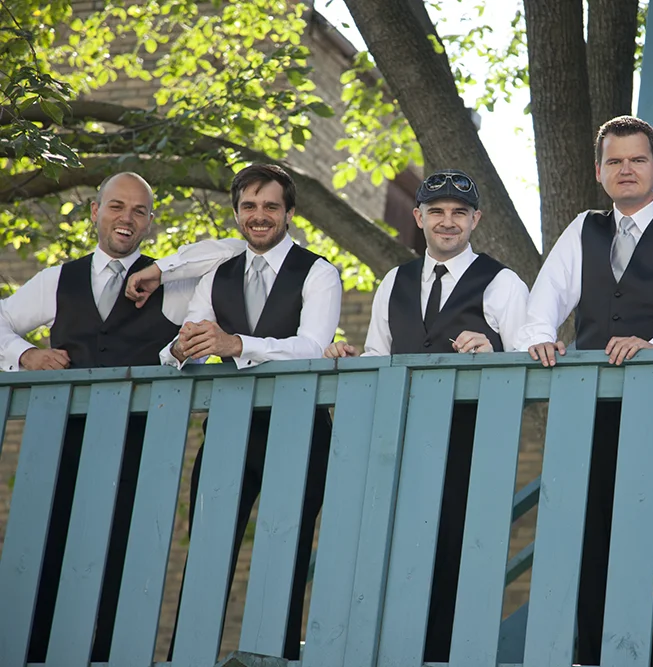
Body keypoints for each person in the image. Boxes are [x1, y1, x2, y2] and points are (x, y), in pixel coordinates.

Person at [518, 115, 653, 666]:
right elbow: (546, 298)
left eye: (637, 159)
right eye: (615, 161)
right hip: (589, 410)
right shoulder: (584, 227)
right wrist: (539, 338)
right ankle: (591, 660)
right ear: (599, 170)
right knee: (585, 545)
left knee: (650, 545)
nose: (626, 169)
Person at [325, 169, 528, 661]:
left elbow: (529, 360)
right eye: (436, 212)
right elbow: (379, 356)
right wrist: (348, 361)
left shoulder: (502, 282)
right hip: (401, 441)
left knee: (458, 557)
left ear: (475, 219)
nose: (447, 222)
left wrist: (496, 348)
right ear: (418, 217)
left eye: (459, 213)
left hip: (471, 443)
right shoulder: (394, 280)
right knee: (397, 557)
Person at [0, 172, 202, 662]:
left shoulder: (173, 283)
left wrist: (170, 266)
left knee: (125, 557)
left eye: (139, 211)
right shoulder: (58, 279)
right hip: (63, 437)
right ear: (95, 211)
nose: (126, 219)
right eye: (117, 207)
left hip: (141, 442)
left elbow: (233, 253)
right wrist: (25, 355)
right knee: (48, 548)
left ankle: (113, 656)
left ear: (152, 222)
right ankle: (32, 655)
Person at [142, 163, 341, 660]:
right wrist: (181, 350)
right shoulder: (218, 276)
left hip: (300, 434)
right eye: (249, 206)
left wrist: (236, 343)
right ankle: (186, 656)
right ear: (236, 213)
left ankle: (276, 658)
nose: (259, 216)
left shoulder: (319, 272)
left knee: (286, 553)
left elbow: (314, 347)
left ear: (289, 213)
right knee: (207, 550)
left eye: (271, 206)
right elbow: (180, 341)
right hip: (228, 433)